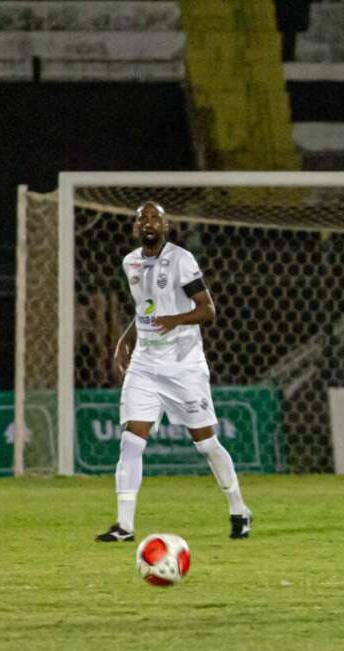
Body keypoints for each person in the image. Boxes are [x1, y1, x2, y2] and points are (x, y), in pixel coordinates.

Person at [96, 201, 251, 542]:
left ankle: (239, 508)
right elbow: (145, 311)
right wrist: (125, 340)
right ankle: (125, 526)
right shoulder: (130, 262)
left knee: (206, 444)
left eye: (156, 218)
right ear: (136, 228)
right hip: (145, 364)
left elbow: (208, 310)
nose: (149, 223)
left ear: (166, 226)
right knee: (131, 441)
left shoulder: (181, 260)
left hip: (183, 365)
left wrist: (176, 321)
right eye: (143, 219)